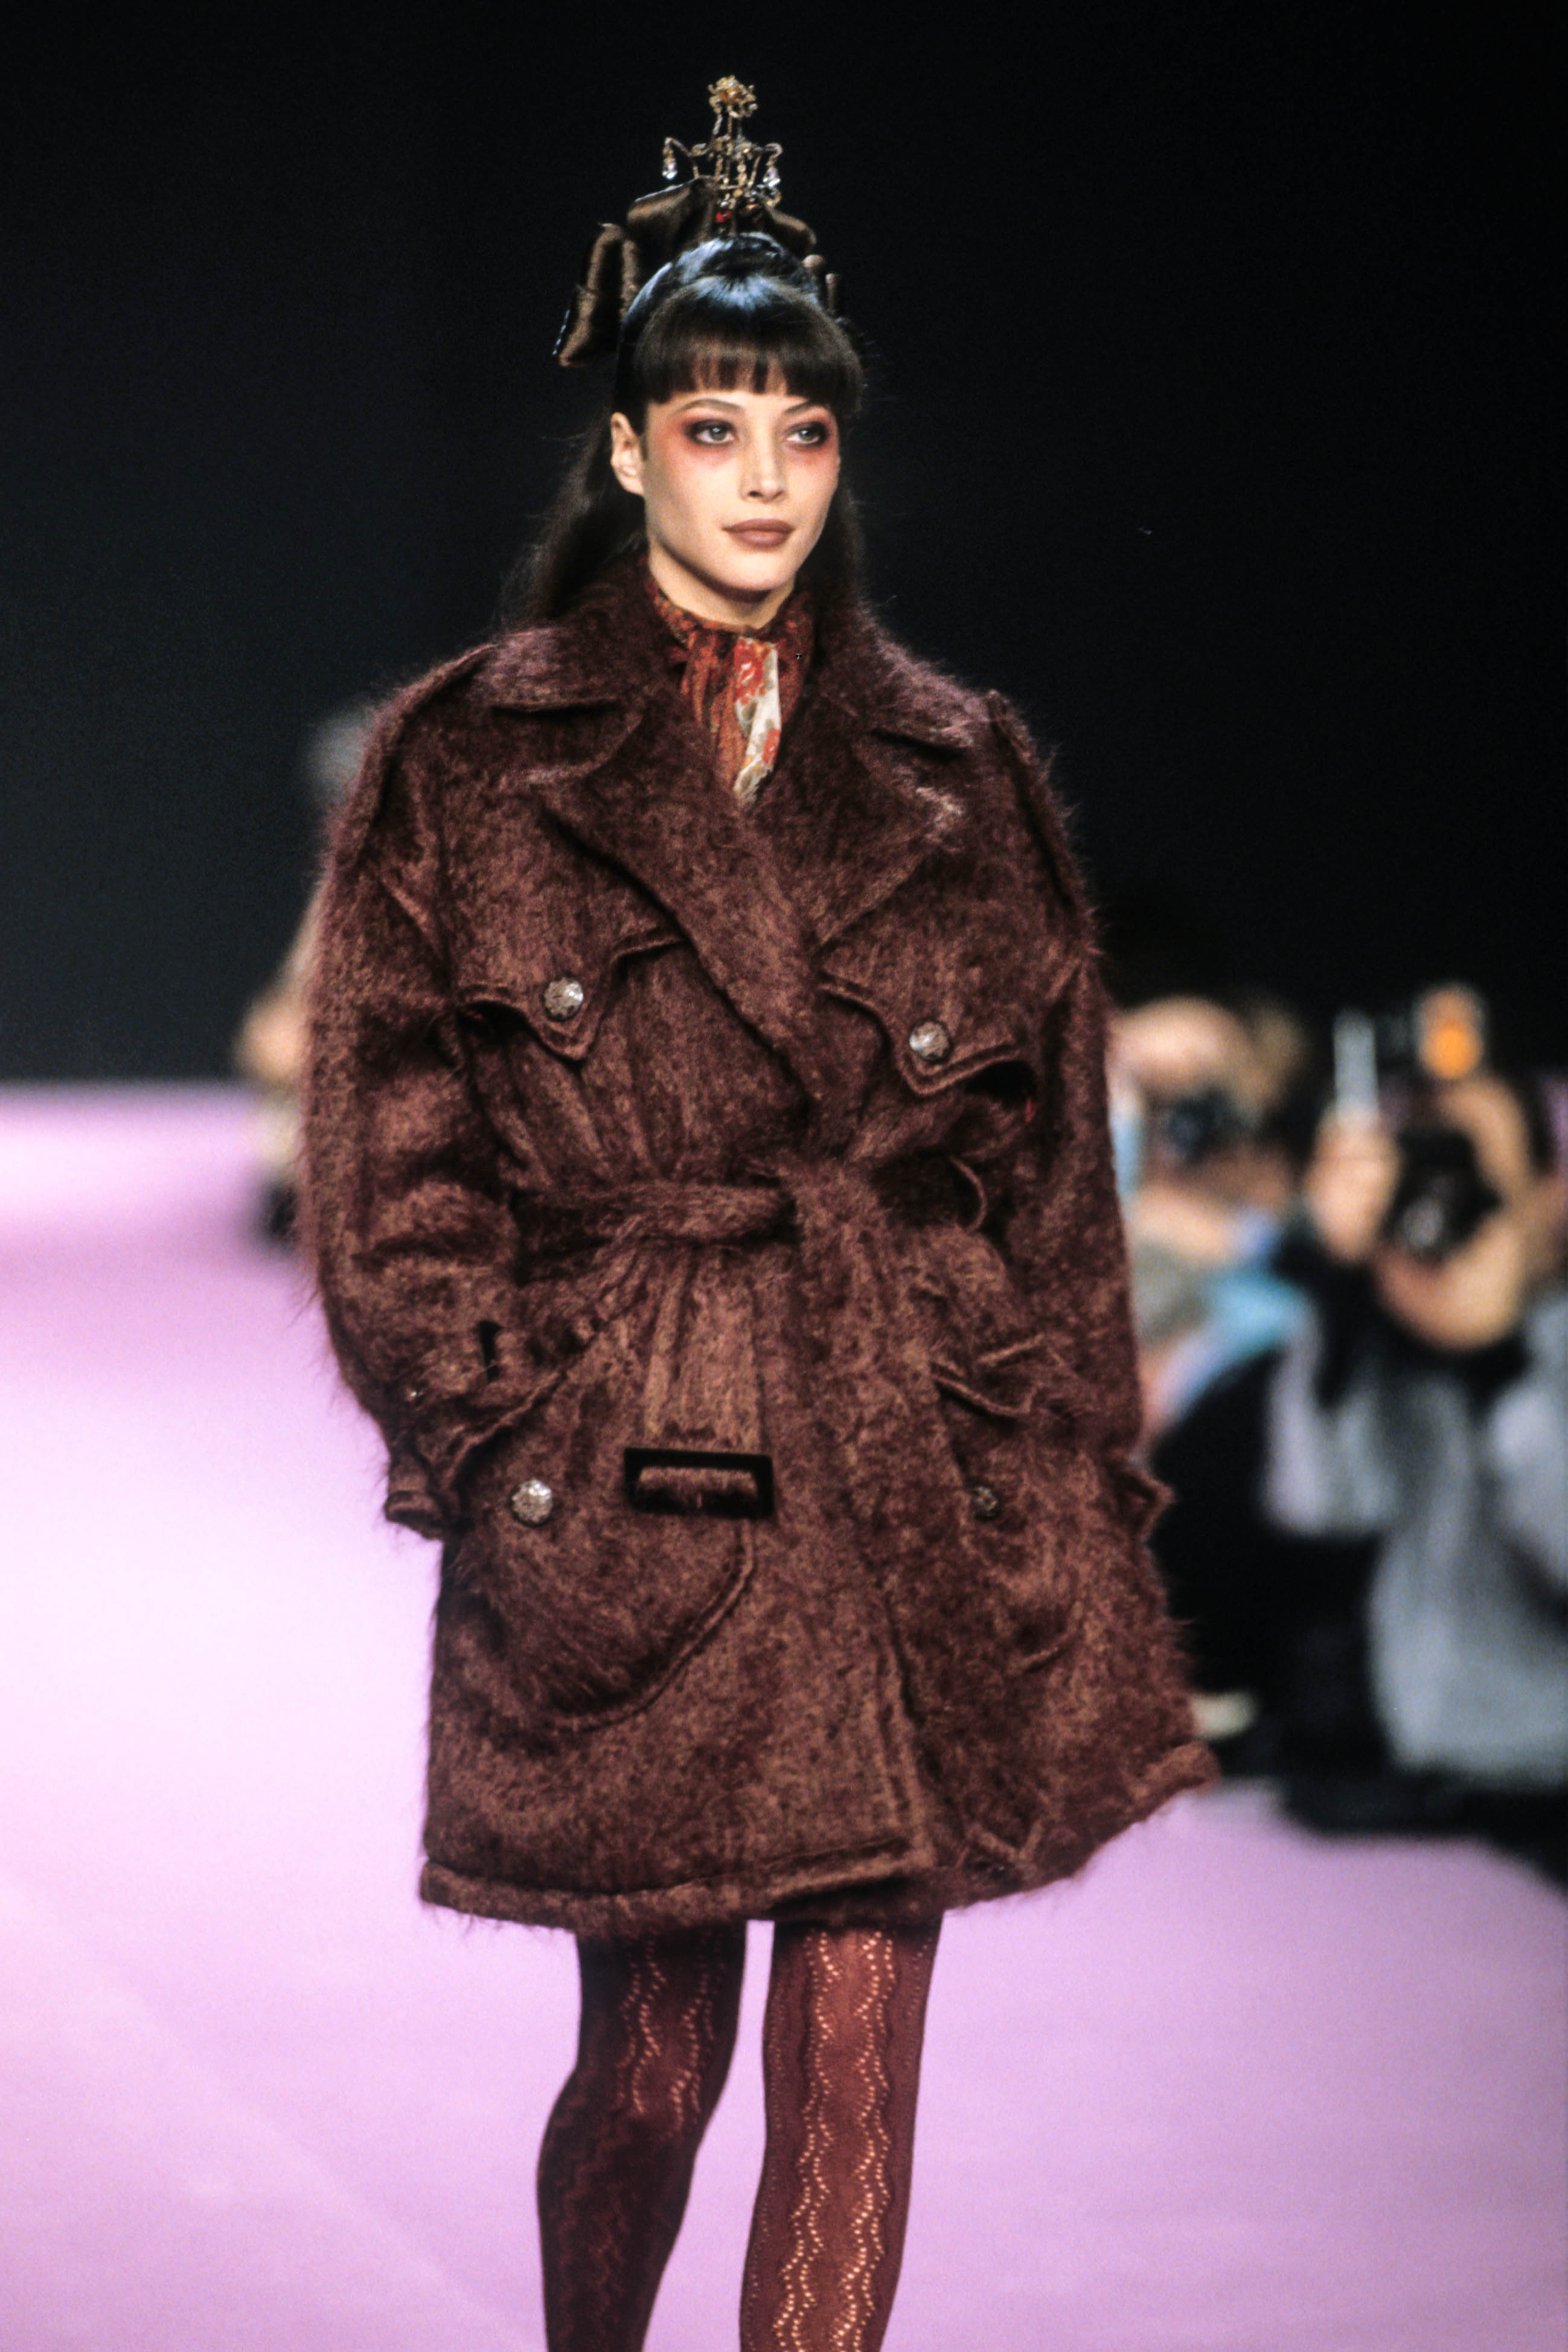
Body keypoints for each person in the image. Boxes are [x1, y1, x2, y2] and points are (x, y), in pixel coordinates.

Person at [301, 80, 1212, 2352]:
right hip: (639, 1475)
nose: (768, 479)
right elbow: (392, 1143)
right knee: (648, 2073)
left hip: (903, 1462)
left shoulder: (959, 769)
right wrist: (493, 1420)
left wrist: (1065, 1465)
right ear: (630, 456)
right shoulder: (470, 762)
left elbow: (1049, 1170)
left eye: (804, 432)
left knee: (860, 2070)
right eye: (716, 429)